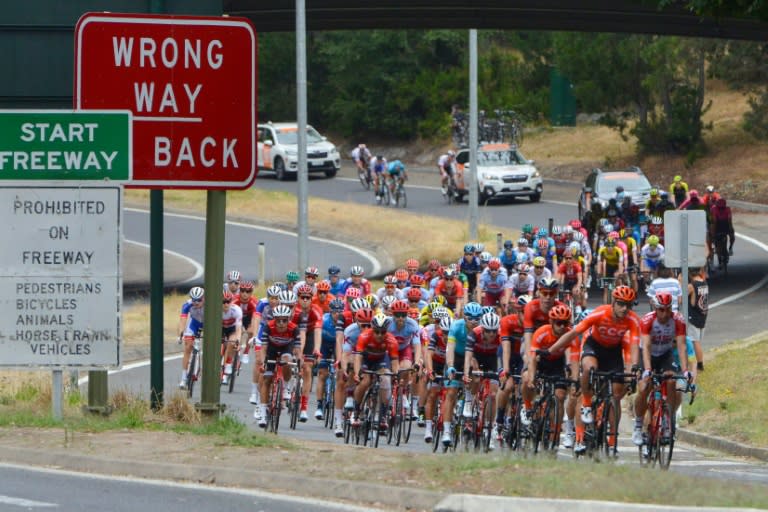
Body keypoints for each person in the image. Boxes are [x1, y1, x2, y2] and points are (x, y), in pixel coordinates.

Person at [546, 285, 641, 455]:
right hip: (594, 347)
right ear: (613, 302)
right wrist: (551, 349)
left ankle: (612, 440)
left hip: (613, 353)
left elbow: (633, 347)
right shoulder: (600, 312)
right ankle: (587, 404)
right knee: (589, 367)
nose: (624, 308)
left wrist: (633, 370)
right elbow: (573, 333)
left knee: (616, 396)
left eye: (628, 305)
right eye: (621, 303)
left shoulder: (633, 320)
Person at [632, 292, 692, 446]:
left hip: (665, 354)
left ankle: (666, 419)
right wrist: (647, 369)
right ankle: (638, 426)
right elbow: (645, 346)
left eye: (668, 310)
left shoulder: (678, 320)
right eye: (661, 310)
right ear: (655, 308)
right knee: (645, 388)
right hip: (648, 355)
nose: (665, 314)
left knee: (671, 380)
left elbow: (681, 346)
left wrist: (685, 371)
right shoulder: (647, 320)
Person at [178, 286, 205, 389]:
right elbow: (183, 319)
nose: (196, 302)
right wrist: (181, 332)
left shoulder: (210, 303)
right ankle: (184, 378)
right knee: (188, 347)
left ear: (204, 298)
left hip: (207, 324)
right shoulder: (187, 305)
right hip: (194, 324)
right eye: (194, 300)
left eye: (199, 300)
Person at [687, 266, 708, 372]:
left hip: (693, 315)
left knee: (695, 341)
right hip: (702, 313)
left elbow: (682, 298)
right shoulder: (704, 283)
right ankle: (699, 363)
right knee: (698, 340)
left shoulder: (691, 286)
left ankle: (699, 364)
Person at [710, 198, 735, 265]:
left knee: (732, 234)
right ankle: (713, 243)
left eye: (722, 207)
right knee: (712, 231)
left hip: (725, 223)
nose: (721, 209)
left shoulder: (727, 209)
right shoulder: (714, 209)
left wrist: (730, 229)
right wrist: (713, 232)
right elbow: (714, 221)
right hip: (718, 224)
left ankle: (730, 247)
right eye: (719, 207)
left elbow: (729, 220)